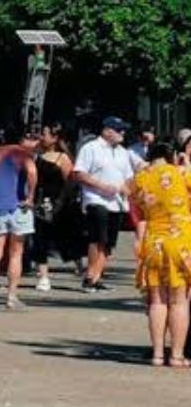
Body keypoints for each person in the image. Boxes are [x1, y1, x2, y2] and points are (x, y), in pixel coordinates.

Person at [128, 141, 191, 367]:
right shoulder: (182, 173)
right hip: (181, 241)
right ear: (173, 155)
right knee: (179, 301)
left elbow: (135, 204)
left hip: (153, 240)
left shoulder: (140, 179)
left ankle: (157, 354)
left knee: (156, 301)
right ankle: (176, 355)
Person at [73, 116, 139, 293]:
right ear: (107, 130)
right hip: (96, 200)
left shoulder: (122, 152)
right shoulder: (91, 148)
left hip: (117, 203)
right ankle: (89, 277)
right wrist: (102, 186)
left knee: (109, 243)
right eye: (119, 130)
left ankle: (97, 277)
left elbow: (129, 177)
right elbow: (79, 173)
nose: (122, 133)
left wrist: (128, 189)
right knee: (97, 239)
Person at [0, 132, 39, 311]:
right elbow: (32, 172)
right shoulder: (23, 155)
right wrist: (30, 196)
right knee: (16, 252)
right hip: (19, 207)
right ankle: (11, 297)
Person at [32, 125, 75, 292]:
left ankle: (78, 263)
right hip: (39, 200)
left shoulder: (62, 158)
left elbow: (69, 182)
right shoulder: (36, 156)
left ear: (54, 138)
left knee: (62, 237)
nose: (41, 137)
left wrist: (63, 202)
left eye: (44, 134)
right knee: (40, 238)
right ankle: (43, 275)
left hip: (57, 201)